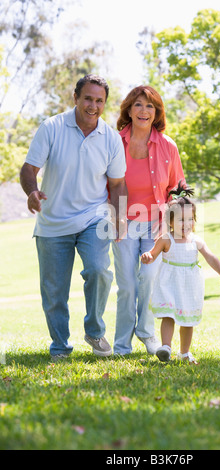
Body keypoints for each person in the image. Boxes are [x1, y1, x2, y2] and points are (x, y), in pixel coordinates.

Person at [20, 74, 127, 361]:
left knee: (99, 271)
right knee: (54, 292)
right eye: (88, 99)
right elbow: (29, 169)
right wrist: (32, 192)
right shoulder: (52, 127)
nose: (93, 105)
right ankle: (60, 346)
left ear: (105, 103)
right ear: (76, 98)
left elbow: (117, 184)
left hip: (94, 217)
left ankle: (94, 329)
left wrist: (119, 215)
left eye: (99, 100)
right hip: (52, 222)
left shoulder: (111, 138)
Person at [112, 85, 186, 356]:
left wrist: (178, 222)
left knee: (150, 277)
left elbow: (178, 189)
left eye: (150, 106)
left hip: (156, 223)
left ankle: (146, 333)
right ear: (129, 110)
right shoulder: (113, 142)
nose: (144, 111)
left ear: (157, 113)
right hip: (121, 221)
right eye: (138, 105)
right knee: (128, 284)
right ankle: (122, 343)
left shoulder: (168, 146)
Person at [141, 181, 220, 363]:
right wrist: (147, 257)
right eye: (181, 220)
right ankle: (165, 347)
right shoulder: (166, 239)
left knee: (188, 320)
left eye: (190, 219)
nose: (186, 223)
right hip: (169, 284)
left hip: (189, 285)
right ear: (171, 222)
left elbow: (210, 257)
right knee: (168, 315)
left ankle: (184, 352)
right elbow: (153, 253)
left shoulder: (196, 241)